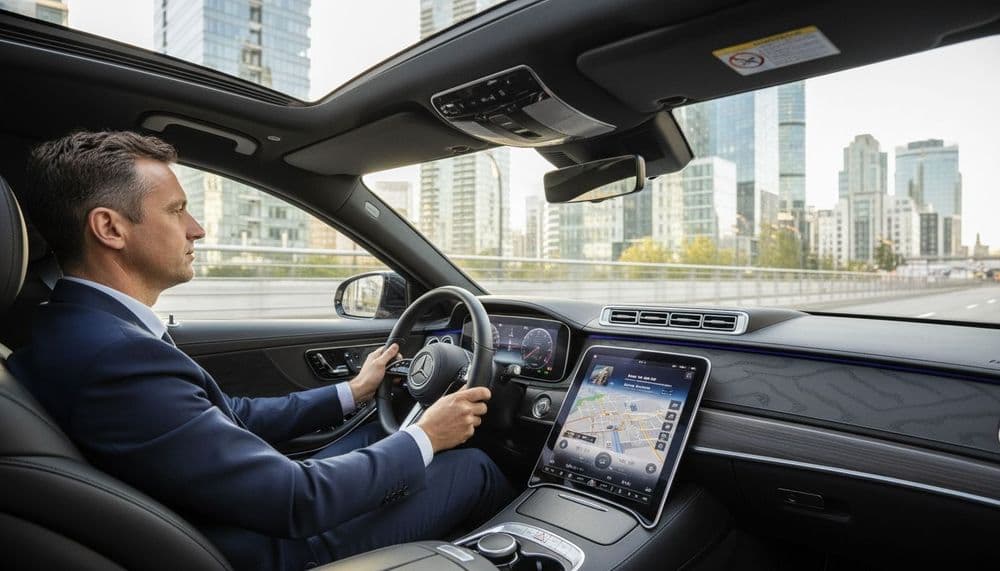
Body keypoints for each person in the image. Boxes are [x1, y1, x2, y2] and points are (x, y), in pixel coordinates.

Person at [8, 131, 513, 570]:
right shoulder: (117, 358)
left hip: (217, 520)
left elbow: (229, 416)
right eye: (177, 210)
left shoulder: (68, 328)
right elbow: (297, 499)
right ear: (110, 228)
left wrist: (353, 391)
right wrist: (427, 435)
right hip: (256, 549)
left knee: (374, 439)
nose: (197, 228)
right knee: (469, 467)